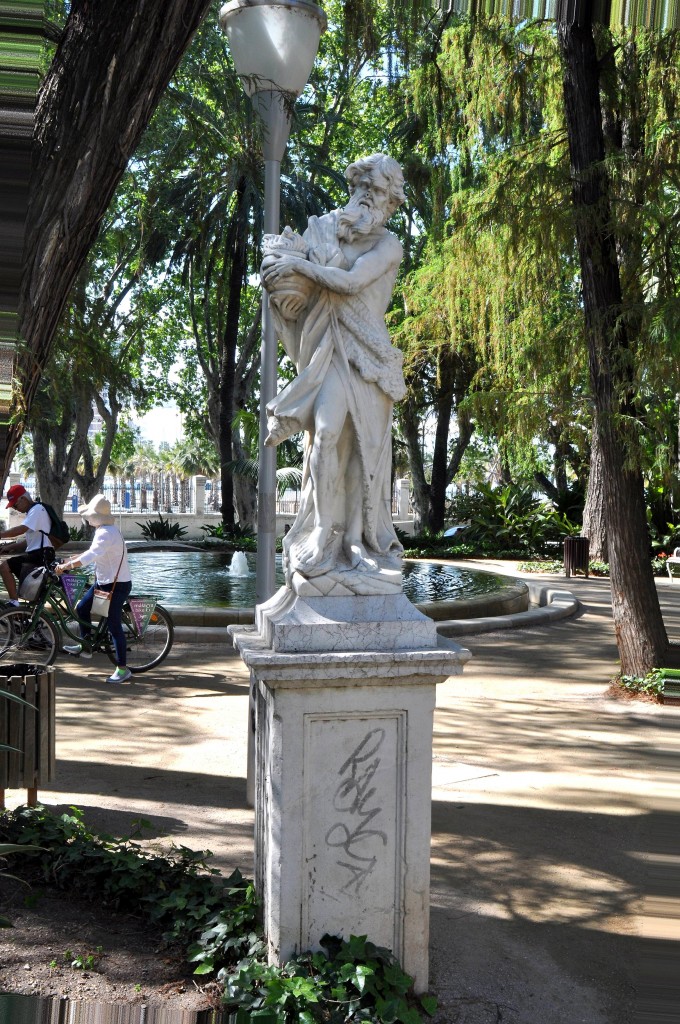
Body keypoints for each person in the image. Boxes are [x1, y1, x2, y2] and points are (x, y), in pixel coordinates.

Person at [260, 153, 407, 578]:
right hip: (329, 350)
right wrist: (278, 265)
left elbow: (352, 283)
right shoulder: (323, 232)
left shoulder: (387, 244)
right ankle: (325, 528)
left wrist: (301, 265)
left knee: (366, 452)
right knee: (326, 433)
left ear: (391, 200)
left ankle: (357, 541)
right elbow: (285, 271)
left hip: (372, 358)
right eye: (360, 187)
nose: (366, 197)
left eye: (376, 191)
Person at [55, 494, 133, 684]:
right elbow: (91, 552)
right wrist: (69, 560)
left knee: (114, 625)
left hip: (117, 585)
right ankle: (86, 646)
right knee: (82, 608)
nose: (88, 518)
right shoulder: (104, 530)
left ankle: (123, 669)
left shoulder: (106, 533)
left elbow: (91, 556)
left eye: (90, 515)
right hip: (104, 582)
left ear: (96, 517)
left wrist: (68, 567)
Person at [0, 484, 54, 605]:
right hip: (40, 554)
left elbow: (21, 529)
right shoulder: (33, 512)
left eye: (15, 504)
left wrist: (1, 534)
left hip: (41, 556)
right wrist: (8, 548)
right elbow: (28, 542)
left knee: (4, 567)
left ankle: (14, 602)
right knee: (31, 593)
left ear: (23, 499)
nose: (15, 508)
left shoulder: (37, 509)